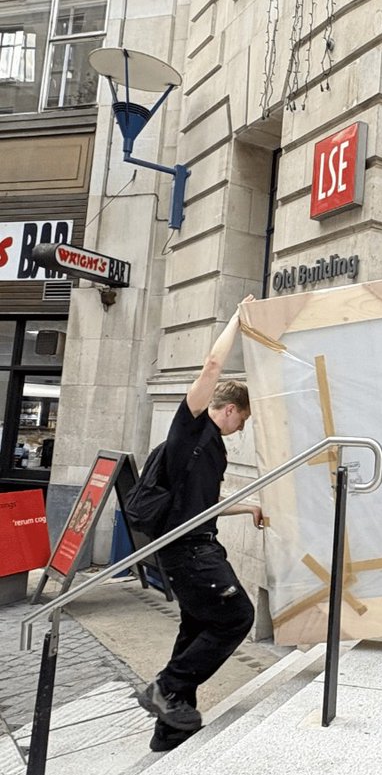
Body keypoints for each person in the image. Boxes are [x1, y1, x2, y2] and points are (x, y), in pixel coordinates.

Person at [137, 295, 263, 751]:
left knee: (195, 631)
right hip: (189, 551)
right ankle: (167, 688)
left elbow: (200, 506)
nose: (240, 429)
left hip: (192, 542)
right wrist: (236, 317)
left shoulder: (211, 448)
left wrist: (245, 508)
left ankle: (170, 730)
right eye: (242, 420)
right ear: (228, 408)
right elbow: (211, 364)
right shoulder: (191, 426)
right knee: (236, 618)